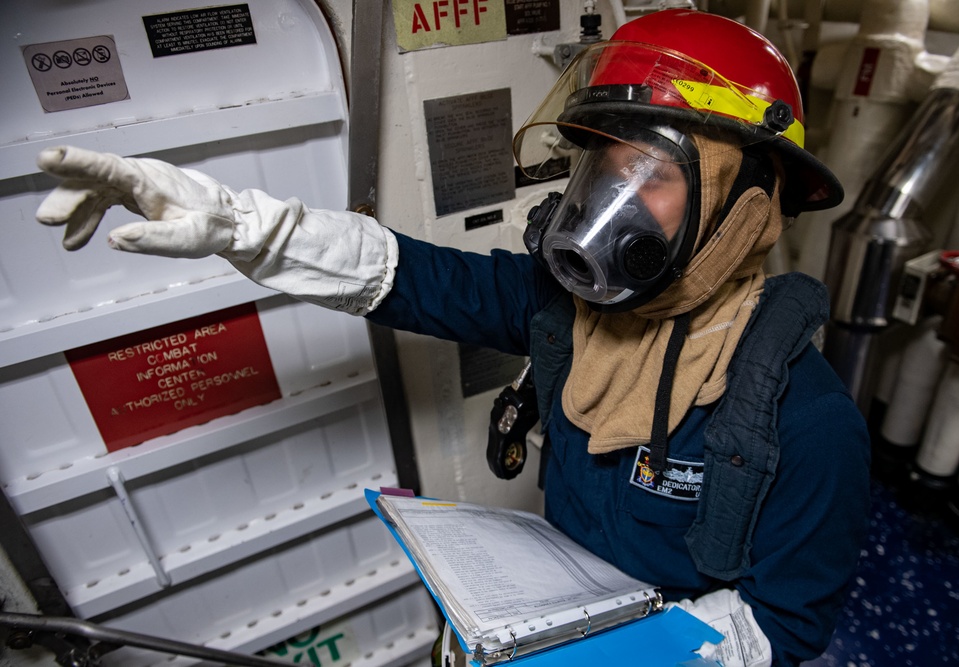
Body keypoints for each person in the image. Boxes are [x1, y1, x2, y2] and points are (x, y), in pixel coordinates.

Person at [34, 9, 870, 666]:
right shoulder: (567, 312)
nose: (608, 208)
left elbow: (783, 625)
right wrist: (239, 225)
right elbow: (408, 275)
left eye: (651, 175)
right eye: (605, 173)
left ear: (748, 210)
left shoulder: (808, 421)